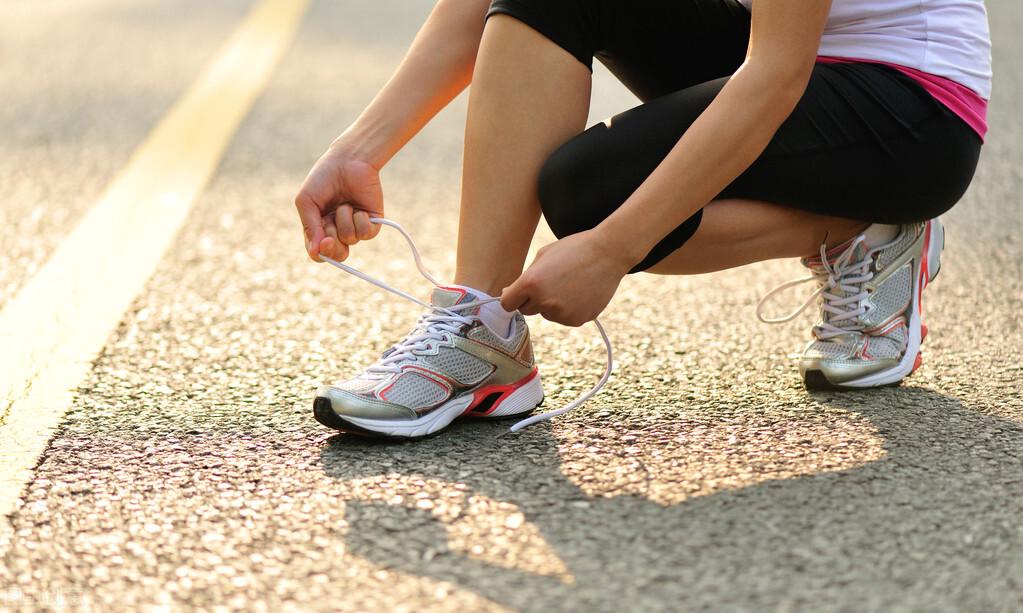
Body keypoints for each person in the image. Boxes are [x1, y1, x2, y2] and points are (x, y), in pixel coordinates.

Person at [295, 0, 991, 439]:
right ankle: (480, 332)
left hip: (911, 107)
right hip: (777, 50)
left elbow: (776, 73)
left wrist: (612, 247)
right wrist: (357, 152)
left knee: (592, 205)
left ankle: (865, 221)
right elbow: (473, 7)